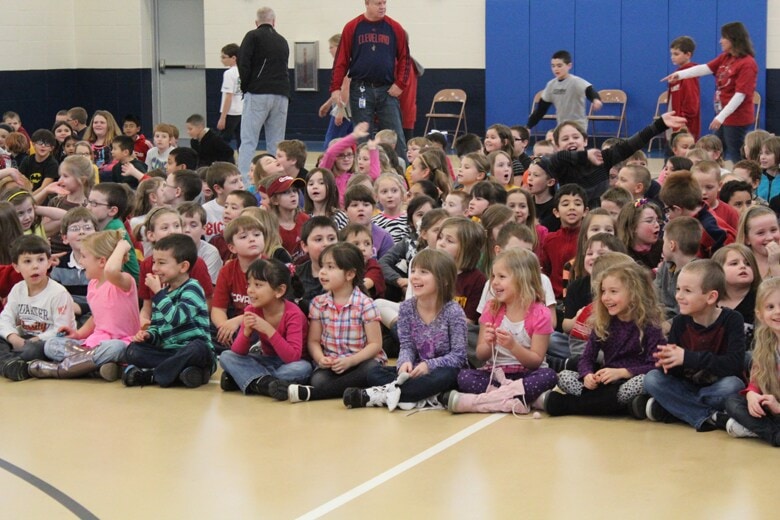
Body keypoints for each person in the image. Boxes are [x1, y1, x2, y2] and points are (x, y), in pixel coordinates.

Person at [344, 249, 465, 410]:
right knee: (374, 373)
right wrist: (404, 363)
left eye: (424, 272)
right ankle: (423, 395)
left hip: (442, 370)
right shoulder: (407, 307)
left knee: (447, 376)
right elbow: (407, 345)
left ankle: (378, 395)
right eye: (413, 270)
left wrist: (429, 365)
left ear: (444, 280)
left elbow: (459, 356)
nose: (415, 276)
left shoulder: (453, 311)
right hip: (416, 370)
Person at [638, 260, 746, 431]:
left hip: (716, 387)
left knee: (733, 385)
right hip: (688, 386)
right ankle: (711, 416)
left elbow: (734, 364)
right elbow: (675, 374)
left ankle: (674, 409)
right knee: (652, 378)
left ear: (711, 297)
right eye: (678, 289)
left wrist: (687, 357)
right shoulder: (680, 323)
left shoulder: (732, 319)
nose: (679, 296)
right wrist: (666, 363)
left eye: (687, 291)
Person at [270, 242, 384, 402]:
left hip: (360, 362)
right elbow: (313, 341)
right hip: (333, 364)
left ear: (349, 274)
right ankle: (346, 389)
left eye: (331, 267)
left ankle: (316, 394)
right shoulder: (318, 303)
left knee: (373, 370)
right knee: (317, 379)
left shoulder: (365, 304)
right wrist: (320, 358)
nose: (323, 272)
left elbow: (375, 345)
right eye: (322, 266)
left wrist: (351, 361)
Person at [544, 263, 663, 416]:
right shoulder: (603, 321)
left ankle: (568, 405)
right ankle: (622, 408)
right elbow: (586, 358)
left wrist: (622, 372)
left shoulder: (650, 325)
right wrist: (587, 375)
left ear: (634, 293)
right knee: (564, 377)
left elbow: (655, 366)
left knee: (643, 381)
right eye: (603, 291)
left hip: (628, 380)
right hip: (606, 383)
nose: (605, 297)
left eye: (613, 292)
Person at [448, 248, 557, 414]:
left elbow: (535, 361)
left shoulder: (541, 313)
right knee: (464, 377)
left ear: (522, 279)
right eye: (493, 276)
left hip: (527, 374)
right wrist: (488, 343)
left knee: (549, 376)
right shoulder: (491, 308)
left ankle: (480, 402)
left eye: (501, 277)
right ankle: (523, 399)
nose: (494, 282)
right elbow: (481, 355)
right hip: (496, 375)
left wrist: (514, 346)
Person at [29, 231, 140, 381]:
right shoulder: (93, 284)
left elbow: (111, 270)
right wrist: (79, 334)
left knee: (115, 347)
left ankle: (60, 369)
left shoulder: (124, 281)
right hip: (93, 346)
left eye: (84, 256)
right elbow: (97, 317)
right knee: (51, 344)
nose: (80, 262)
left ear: (101, 261)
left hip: (121, 345)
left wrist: (121, 246)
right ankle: (95, 367)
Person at [122, 234, 215, 388]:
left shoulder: (192, 288)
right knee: (133, 350)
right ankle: (183, 374)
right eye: (154, 262)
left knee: (199, 348)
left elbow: (176, 319)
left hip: (193, 352)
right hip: (170, 353)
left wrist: (158, 294)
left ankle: (152, 375)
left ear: (183, 267)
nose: (154, 268)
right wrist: (149, 335)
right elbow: (159, 330)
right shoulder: (162, 294)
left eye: (161, 263)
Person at [662, 22, 758, 163]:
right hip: (724, 116)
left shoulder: (747, 64)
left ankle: (748, 181)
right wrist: (680, 75)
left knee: (736, 154)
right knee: (713, 151)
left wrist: (721, 117)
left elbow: (740, 95)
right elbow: (706, 68)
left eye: (723, 37)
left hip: (736, 117)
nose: (720, 40)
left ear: (733, 38)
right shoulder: (726, 57)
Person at [329, 0, 411, 160]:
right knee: (362, 136)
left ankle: (402, 175)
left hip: (387, 89)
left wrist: (400, 84)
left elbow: (405, 58)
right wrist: (335, 87)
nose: (382, 7)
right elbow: (341, 59)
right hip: (361, 89)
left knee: (396, 135)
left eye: (384, 3)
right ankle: (362, 176)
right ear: (367, 4)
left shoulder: (395, 28)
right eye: (377, 3)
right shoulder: (352, 27)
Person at [219, 258, 312, 396]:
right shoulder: (251, 310)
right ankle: (266, 383)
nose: (250, 290)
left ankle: (251, 380)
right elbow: (238, 352)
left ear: (279, 291)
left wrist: (268, 330)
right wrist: (246, 333)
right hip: (267, 360)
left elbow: (292, 357)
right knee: (227, 356)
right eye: (248, 285)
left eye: (258, 285)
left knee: (303, 368)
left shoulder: (293, 314)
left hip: (291, 363)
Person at [724, 277, 780, 445]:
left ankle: (769, 433)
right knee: (732, 402)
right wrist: (752, 394)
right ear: (760, 314)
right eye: (770, 307)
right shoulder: (765, 342)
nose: (777, 311)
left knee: (735, 421)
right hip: (773, 405)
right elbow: (756, 378)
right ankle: (773, 432)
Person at [237, 7, 291, 180]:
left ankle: (244, 181)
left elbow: (243, 63)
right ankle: (275, 179)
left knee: (248, 141)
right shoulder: (282, 40)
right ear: (274, 22)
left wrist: (246, 87)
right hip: (281, 95)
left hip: (258, 93)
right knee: (276, 144)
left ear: (256, 22)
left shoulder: (252, 36)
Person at [527, 50, 603, 132]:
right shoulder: (551, 85)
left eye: (559, 66)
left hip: (578, 126)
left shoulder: (575, 81)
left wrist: (595, 99)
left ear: (569, 66)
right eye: (553, 66)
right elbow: (541, 109)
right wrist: (528, 126)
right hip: (561, 125)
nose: (556, 69)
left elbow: (589, 90)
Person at [667, 36, 701, 140]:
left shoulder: (689, 76)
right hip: (675, 123)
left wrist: (683, 121)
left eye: (676, 54)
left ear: (688, 55)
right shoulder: (677, 75)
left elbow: (691, 103)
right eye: (671, 54)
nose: (672, 57)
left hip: (683, 127)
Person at [217, 43, 243, 149]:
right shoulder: (244, 70)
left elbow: (229, 96)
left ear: (233, 58)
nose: (222, 60)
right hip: (242, 111)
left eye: (224, 57)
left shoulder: (229, 73)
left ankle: (222, 161)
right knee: (241, 139)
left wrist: (223, 117)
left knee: (223, 140)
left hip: (231, 112)